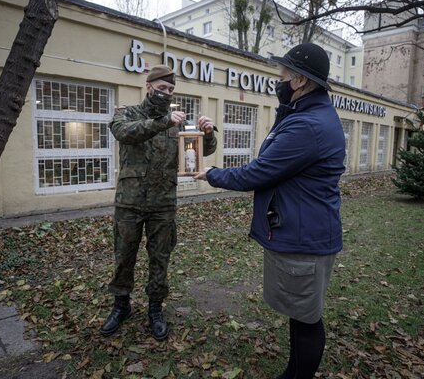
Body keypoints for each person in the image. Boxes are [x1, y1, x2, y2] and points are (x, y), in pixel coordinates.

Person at [195, 44, 345, 378]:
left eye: (284, 74)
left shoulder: (307, 126)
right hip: (303, 230)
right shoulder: (306, 115)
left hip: (304, 237)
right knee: (300, 311)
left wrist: (213, 174)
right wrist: (285, 107)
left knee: (306, 317)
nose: (279, 78)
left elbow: (259, 171)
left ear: (301, 81)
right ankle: (293, 372)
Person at [101, 65, 217, 340]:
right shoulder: (126, 114)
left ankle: (155, 308)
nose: (166, 94)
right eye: (162, 88)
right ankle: (121, 306)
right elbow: (126, 133)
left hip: (163, 203)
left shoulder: (175, 121)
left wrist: (208, 132)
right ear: (149, 86)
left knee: (160, 259)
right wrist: (163, 122)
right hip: (129, 202)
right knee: (124, 257)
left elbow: (200, 149)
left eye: (171, 90)